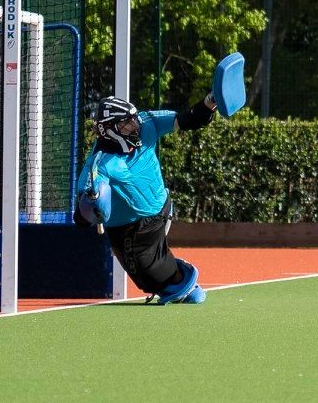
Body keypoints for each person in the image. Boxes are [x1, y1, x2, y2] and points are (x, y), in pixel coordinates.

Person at [75, 94, 216, 304]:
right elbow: (80, 217)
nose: (135, 125)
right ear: (109, 130)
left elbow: (187, 119)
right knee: (148, 281)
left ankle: (179, 279)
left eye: (134, 119)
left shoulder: (147, 122)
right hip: (131, 230)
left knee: (162, 281)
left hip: (162, 209)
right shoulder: (100, 164)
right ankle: (176, 276)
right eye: (127, 124)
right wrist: (92, 207)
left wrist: (210, 102)